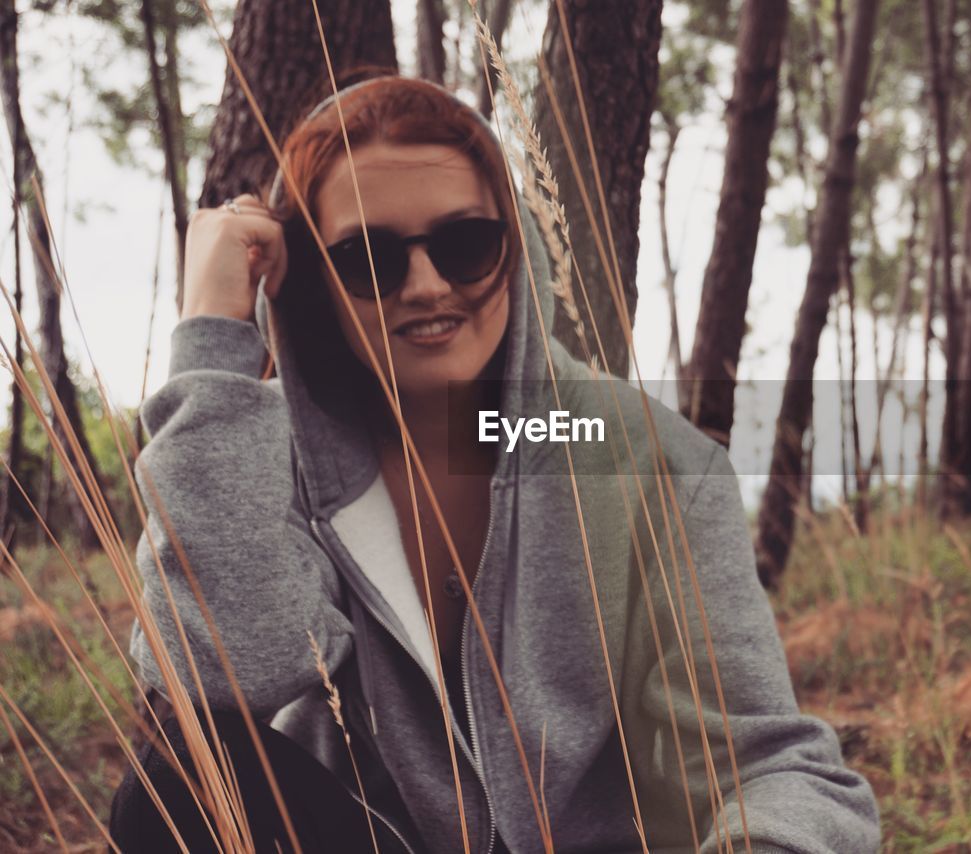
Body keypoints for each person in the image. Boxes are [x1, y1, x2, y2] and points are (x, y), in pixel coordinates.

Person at [109, 74, 880, 854]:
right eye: (370, 257)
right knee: (178, 787)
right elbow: (218, 677)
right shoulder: (263, 461)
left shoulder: (646, 461)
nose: (427, 285)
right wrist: (211, 334)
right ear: (315, 283)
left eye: (465, 243)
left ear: (515, 250)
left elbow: (773, 763)